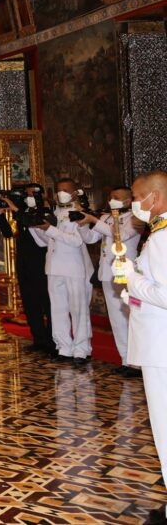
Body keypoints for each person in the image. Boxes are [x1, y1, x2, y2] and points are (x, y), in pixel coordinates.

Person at [125, 171, 167, 525]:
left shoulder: (160, 239)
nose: (132, 204)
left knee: (165, 426)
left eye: (136, 197)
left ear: (154, 198)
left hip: (161, 346)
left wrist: (131, 280)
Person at [30, 178, 100, 364]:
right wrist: (36, 227)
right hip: (53, 267)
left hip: (74, 267)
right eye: (59, 190)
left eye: (66, 190)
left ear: (75, 192)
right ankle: (64, 347)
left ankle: (81, 349)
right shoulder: (53, 212)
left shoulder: (79, 213)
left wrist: (51, 229)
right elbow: (44, 242)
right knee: (58, 310)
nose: (62, 193)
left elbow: (76, 241)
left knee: (78, 309)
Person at [0, 182, 55, 356]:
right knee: (30, 301)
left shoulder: (45, 210)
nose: (28, 197)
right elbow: (9, 233)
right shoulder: (22, 211)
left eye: (32, 194)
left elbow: (37, 225)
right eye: (26, 194)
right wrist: (0, 215)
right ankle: (39, 338)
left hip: (42, 260)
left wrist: (15, 208)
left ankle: (52, 340)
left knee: (47, 301)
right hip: (24, 260)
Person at [91, 185, 140, 376]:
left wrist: (95, 221)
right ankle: (125, 359)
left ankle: (137, 363)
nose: (112, 200)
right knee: (116, 319)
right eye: (111, 196)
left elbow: (123, 235)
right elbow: (90, 238)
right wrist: (85, 224)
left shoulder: (135, 219)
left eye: (117, 197)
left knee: (129, 317)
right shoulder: (106, 217)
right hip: (107, 272)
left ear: (128, 201)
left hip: (126, 272)